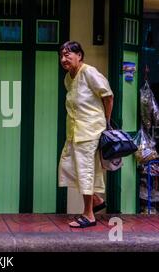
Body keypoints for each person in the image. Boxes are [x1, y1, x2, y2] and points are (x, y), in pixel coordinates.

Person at [58, 41, 114, 228]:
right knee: (70, 168)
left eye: (68, 55)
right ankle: (96, 200)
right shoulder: (68, 78)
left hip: (90, 130)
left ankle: (89, 215)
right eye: (62, 55)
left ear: (79, 55)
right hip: (74, 131)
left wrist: (106, 122)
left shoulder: (89, 72)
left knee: (85, 171)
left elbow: (108, 96)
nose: (64, 59)